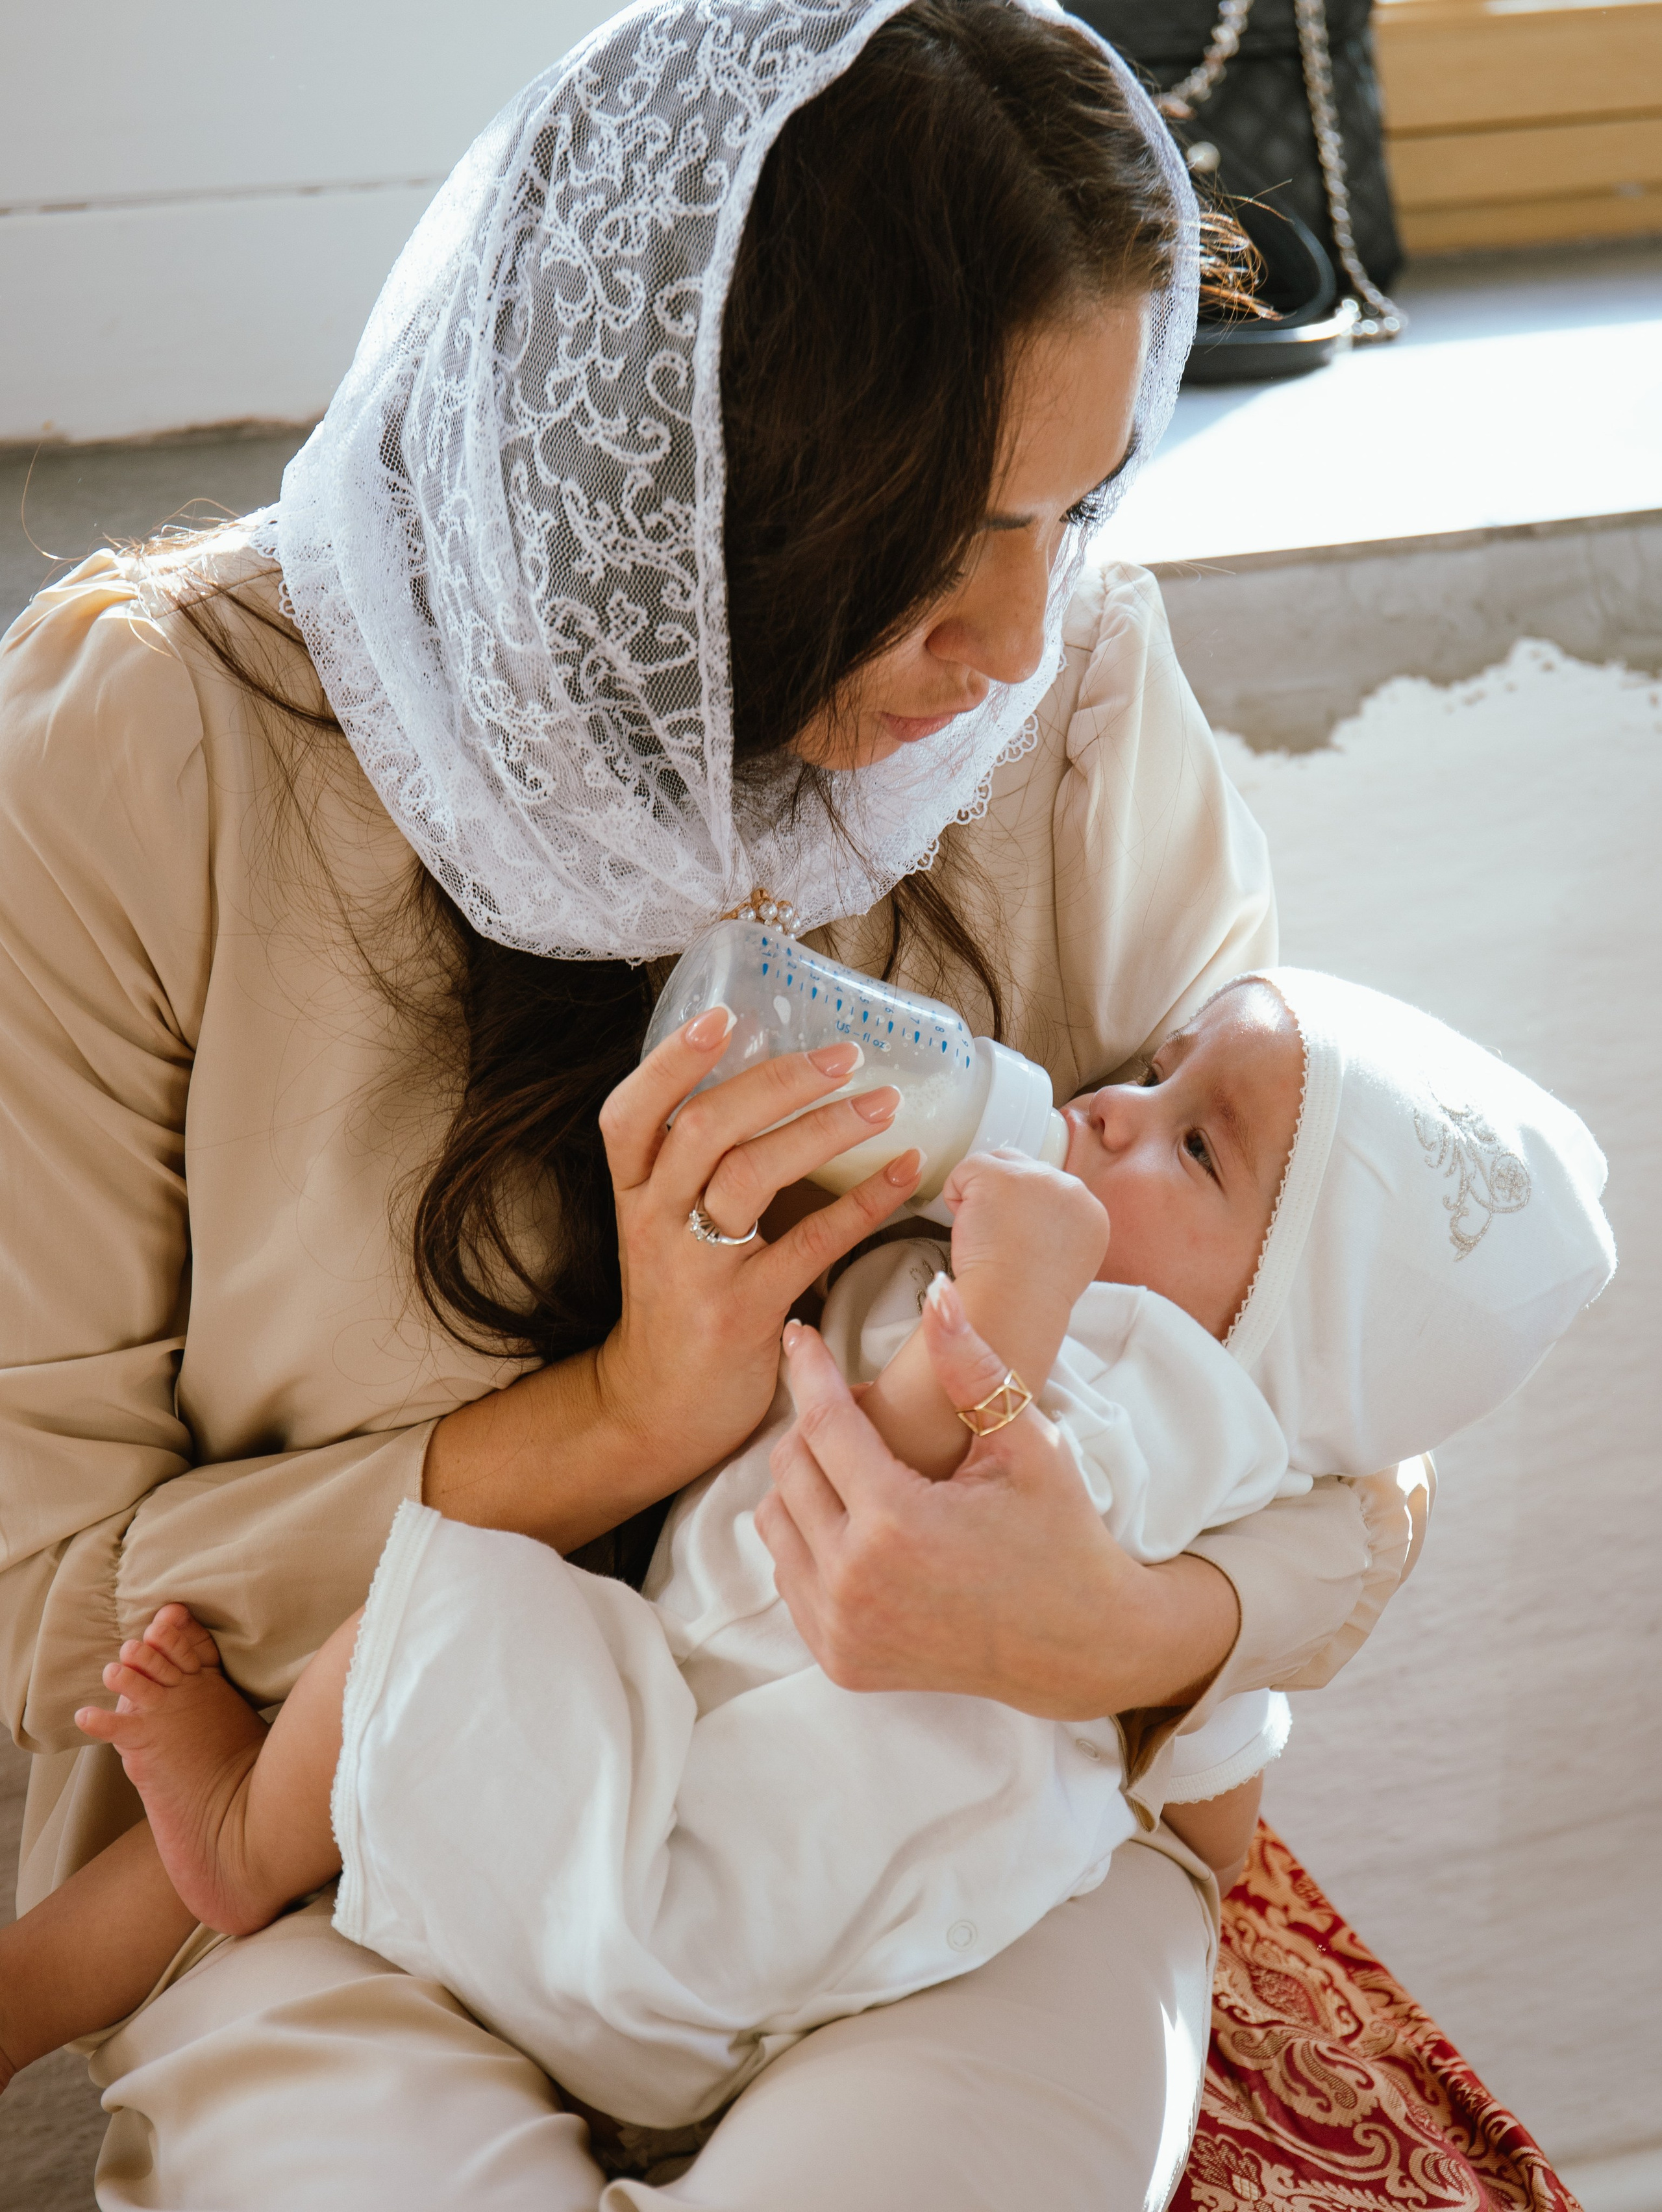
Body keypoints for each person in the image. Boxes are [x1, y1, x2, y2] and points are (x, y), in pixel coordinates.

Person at [0, 2, 1443, 2204]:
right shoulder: (150, 755)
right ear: (687, 468)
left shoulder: (1063, 707)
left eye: (1078, 503)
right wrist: (620, 1420)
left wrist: (1117, 1626)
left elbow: (1356, 1325)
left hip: (957, 1855)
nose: (1017, 629)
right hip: (361, 1877)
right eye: (944, 526)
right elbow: (58, 1600)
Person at [0, 966, 1613, 2129]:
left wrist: (1002, 1310)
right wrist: (1196, 1848)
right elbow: (1215, 1782)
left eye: (1194, 1146)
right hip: (781, 1939)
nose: (1117, 1104)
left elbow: (898, 1480)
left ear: (1290, 1337)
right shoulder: (1216, 1454)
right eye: (1168, 1069)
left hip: (690, 1885)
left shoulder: (1162, 1392)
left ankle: (236, 1834)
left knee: (445, 1603)